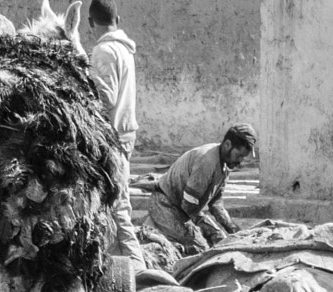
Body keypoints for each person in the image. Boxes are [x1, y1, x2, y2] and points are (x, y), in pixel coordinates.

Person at [87, 0, 144, 262]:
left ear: (90, 22)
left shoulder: (104, 51)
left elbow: (107, 98)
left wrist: (84, 70)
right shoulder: (125, 50)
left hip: (113, 139)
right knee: (113, 206)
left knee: (118, 208)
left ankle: (138, 272)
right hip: (125, 135)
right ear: (117, 20)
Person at [147, 124, 254, 253]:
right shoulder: (207, 161)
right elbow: (188, 206)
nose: (240, 161)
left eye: (243, 157)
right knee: (201, 249)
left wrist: (232, 228)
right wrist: (208, 229)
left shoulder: (225, 164)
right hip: (165, 205)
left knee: (220, 240)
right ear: (227, 144)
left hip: (184, 209)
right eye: (239, 155)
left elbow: (216, 203)